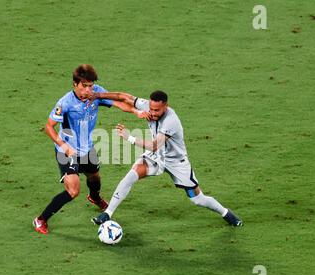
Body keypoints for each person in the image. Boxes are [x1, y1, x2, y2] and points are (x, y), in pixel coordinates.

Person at [89, 90, 243, 227]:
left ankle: (226, 213)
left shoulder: (171, 120)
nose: (153, 113)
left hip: (176, 162)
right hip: (157, 157)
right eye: (151, 109)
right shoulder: (147, 106)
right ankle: (107, 213)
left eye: (157, 110)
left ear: (166, 106)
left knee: (198, 199)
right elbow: (124, 97)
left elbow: (155, 145)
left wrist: (130, 138)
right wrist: (97, 95)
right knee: (131, 175)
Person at [33, 64, 150, 234]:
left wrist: (135, 111)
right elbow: (49, 127)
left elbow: (118, 103)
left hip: (86, 147)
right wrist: (64, 147)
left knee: (94, 176)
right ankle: (41, 219)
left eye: (90, 85)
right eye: (84, 86)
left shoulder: (97, 93)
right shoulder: (65, 103)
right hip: (67, 151)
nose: (88, 90)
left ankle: (94, 197)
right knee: (73, 191)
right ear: (75, 84)